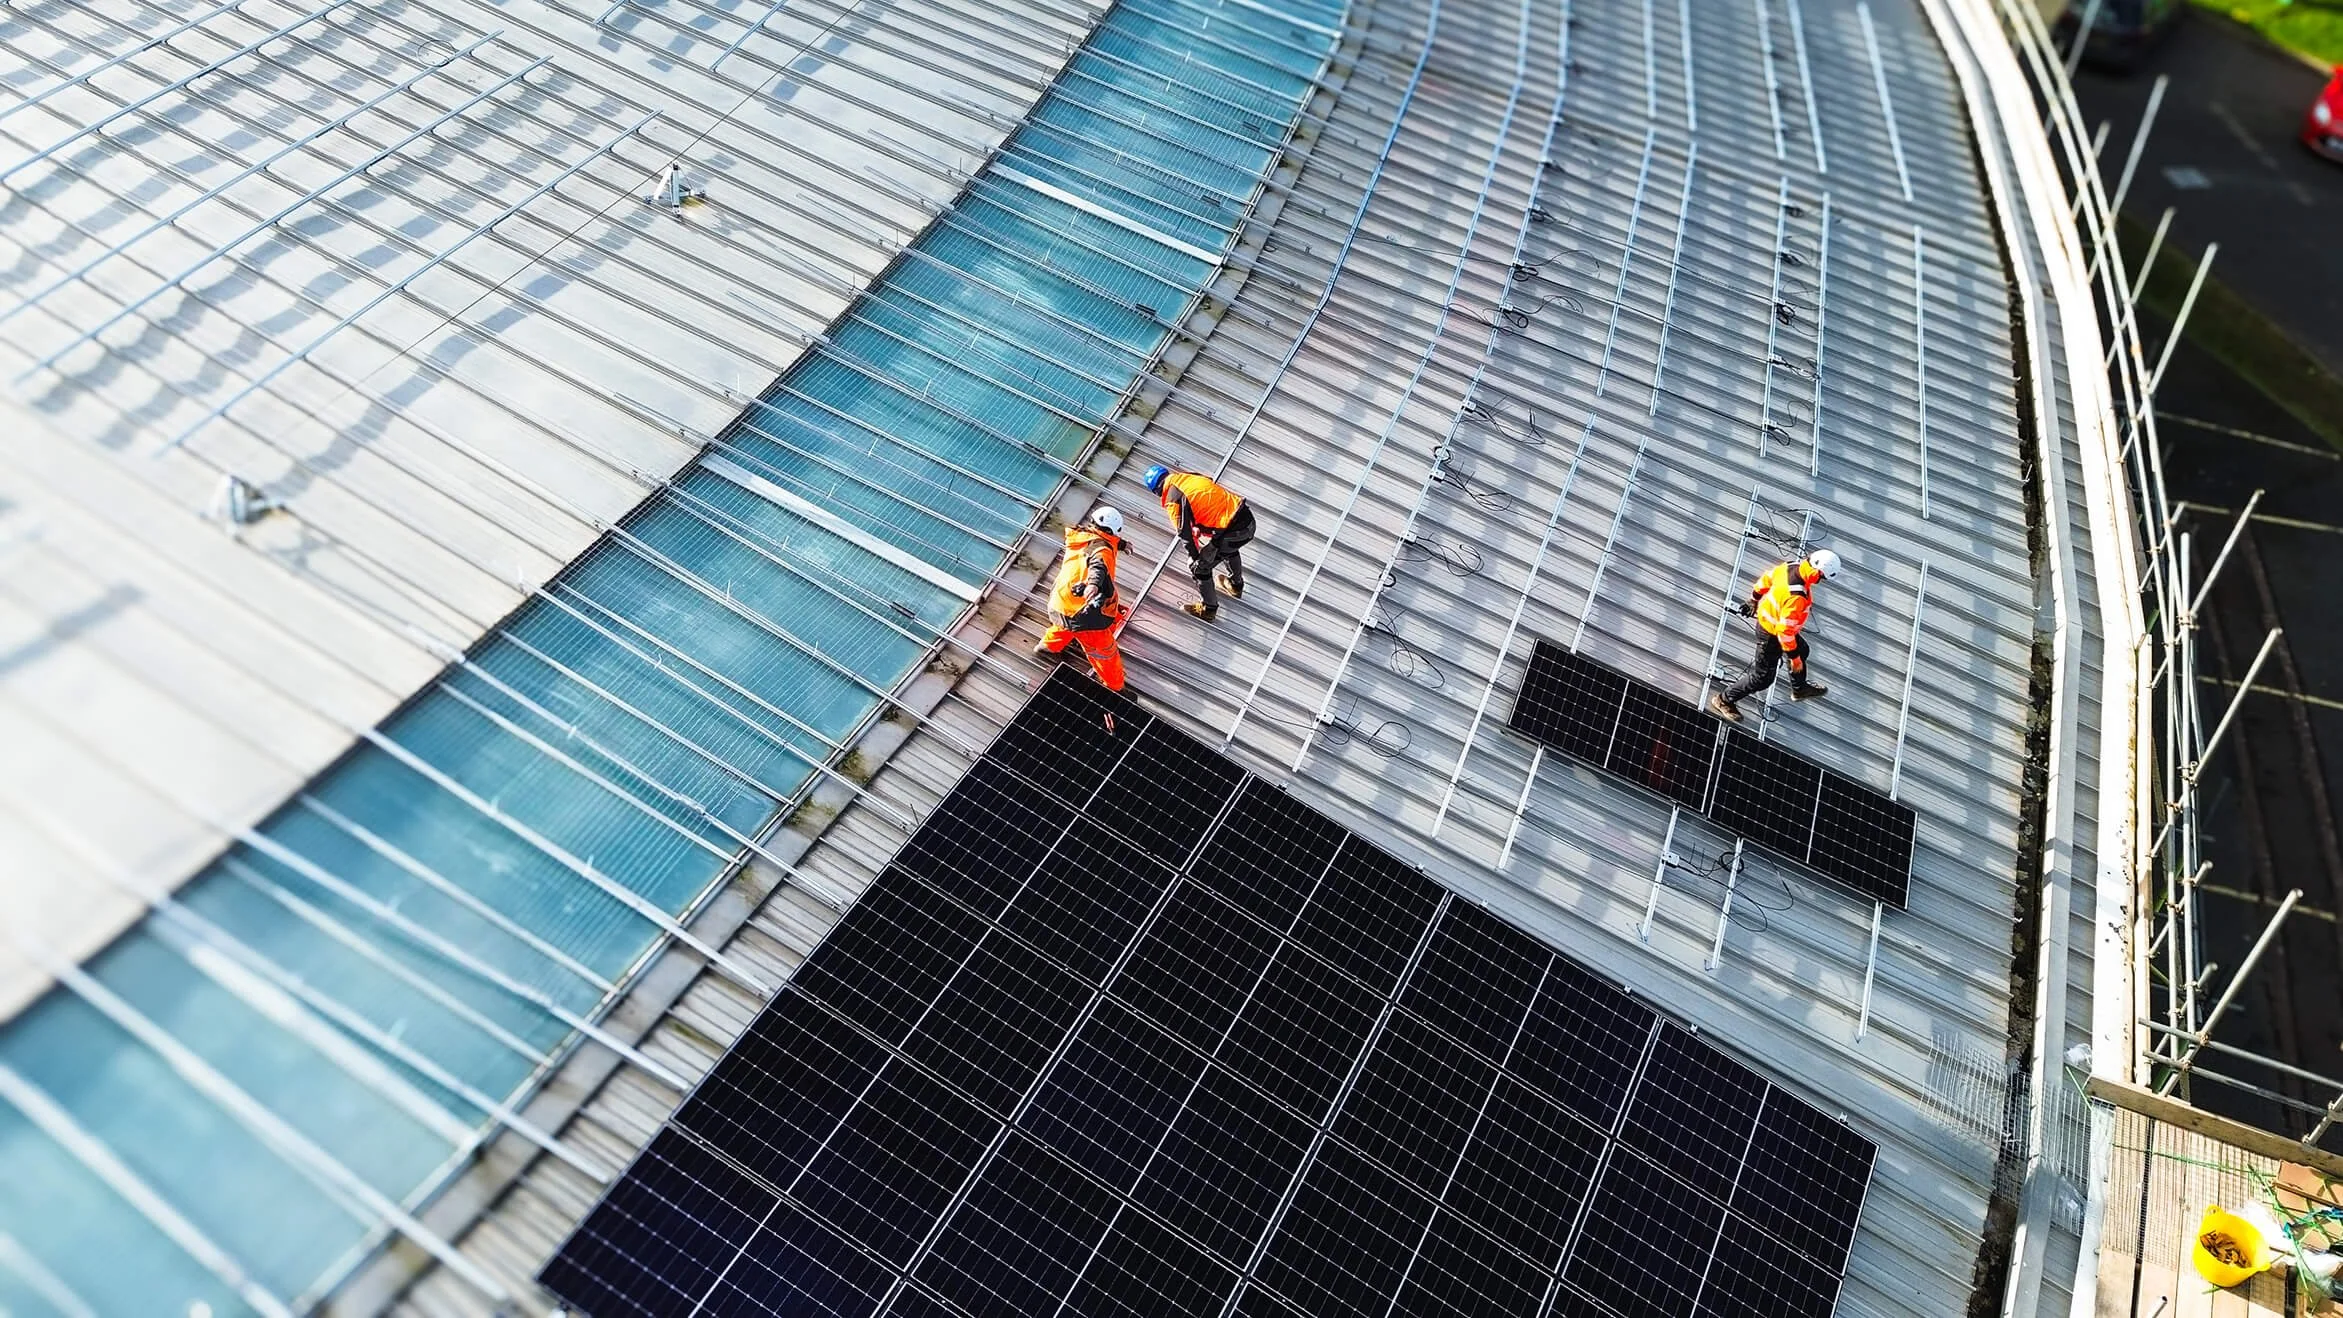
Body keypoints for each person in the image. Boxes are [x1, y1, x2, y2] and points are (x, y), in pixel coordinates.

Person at [1709, 549, 1842, 723]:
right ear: (1817, 573)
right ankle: (1724, 700)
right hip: (1771, 635)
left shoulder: (1791, 567)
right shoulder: (1797, 597)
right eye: (1822, 578)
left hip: (1772, 625)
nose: (1820, 581)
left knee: (1803, 650)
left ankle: (1799, 688)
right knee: (1762, 678)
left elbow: (1767, 579)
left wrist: (1754, 599)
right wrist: (1793, 659)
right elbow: (1784, 632)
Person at [1144, 464, 1254, 622]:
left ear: (1156, 491)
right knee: (1226, 548)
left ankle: (1208, 610)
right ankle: (1235, 585)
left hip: (1234, 532)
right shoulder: (1188, 476)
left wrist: (1195, 557)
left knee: (1200, 569)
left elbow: (1184, 534)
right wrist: (1196, 525)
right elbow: (1204, 496)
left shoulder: (1172, 499)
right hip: (1246, 518)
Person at [1034, 507, 1128, 690]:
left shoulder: (1081, 538)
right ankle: (1115, 687)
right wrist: (1093, 585)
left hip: (1060, 601)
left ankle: (1048, 646)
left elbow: (1100, 542)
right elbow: (1098, 565)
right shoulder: (1103, 551)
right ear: (1113, 531)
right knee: (1104, 651)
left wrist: (1122, 544)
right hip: (1082, 613)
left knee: (1067, 622)